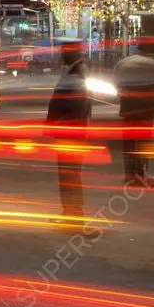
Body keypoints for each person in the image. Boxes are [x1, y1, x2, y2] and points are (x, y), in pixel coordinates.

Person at [46, 49, 91, 219]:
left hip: (69, 133)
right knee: (68, 174)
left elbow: (74, 107)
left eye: (64, 53)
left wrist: (56, 123)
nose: (60, 56)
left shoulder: (75, 76)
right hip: (68, 132)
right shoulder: (72, 72)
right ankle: (69, 211)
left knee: (69, 174)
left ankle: (73, 212)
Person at [115, 38, 154, 186]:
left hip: (127, 109)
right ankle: (140, 174)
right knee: (143, 143)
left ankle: (129, 174)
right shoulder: (153, 64)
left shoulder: (123, 63)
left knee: (128, 144)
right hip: (145, 110)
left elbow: (116, 84)